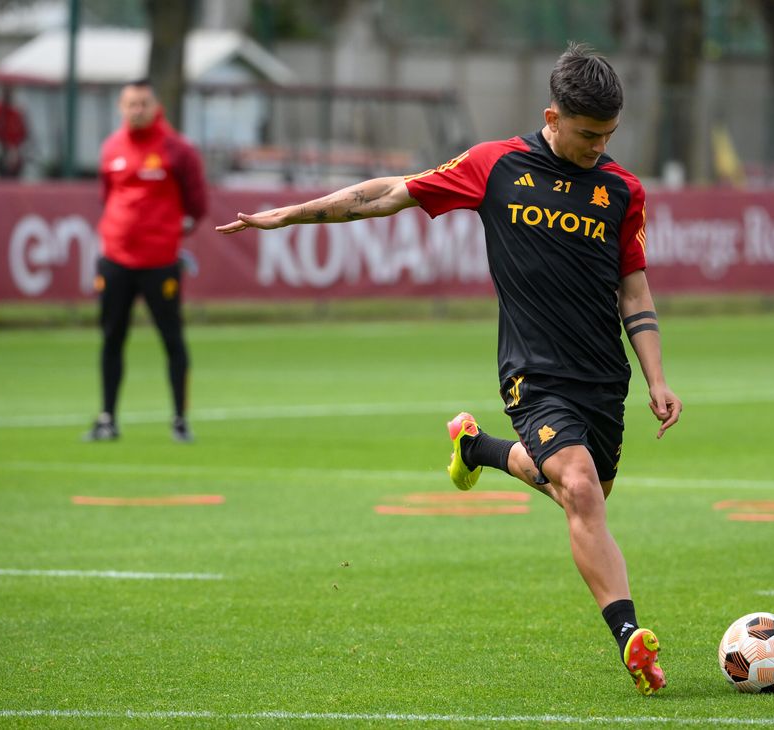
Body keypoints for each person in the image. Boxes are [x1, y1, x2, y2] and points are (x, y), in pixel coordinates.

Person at [216, 43, 681, 695]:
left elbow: (634, 289)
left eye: (608, 135)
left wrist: (657, 377)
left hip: (603, 378)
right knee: (577, 486)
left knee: (586, 490)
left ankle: (478, 447)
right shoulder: (495, 166)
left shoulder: (620, 191)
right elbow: (387, 194)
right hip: (533, 373)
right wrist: (291, 214)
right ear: (552, 116)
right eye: (586, 134)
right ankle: (631, 636)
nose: (597, 147)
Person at [85, 79, 208, 444]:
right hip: (116, 260)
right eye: (130, 104)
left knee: (172, 339)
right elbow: (107, 198)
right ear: (121, 108)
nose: (136, 110)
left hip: (160, 262)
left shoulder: (178, 150)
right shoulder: (111, 148)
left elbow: (197, 204)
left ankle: (180, 420)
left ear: (156, 106)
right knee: (111, 339)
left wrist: (168, 233)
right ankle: (107, 419)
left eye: (143, 103)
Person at [0, 86, 27, 178]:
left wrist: (13, 146)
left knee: (13, 155)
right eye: (5, 92)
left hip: (12, 146)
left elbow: (23, 134)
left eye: (9, 92)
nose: (7, 95)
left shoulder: (16, 113)